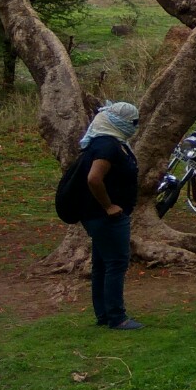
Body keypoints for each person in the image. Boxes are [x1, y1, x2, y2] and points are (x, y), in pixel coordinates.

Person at [75, 102, 142, 330]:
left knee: (102, 264)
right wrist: (108, 206)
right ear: (118, 122)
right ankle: (116, 316)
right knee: (116, 263)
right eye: (133, 123)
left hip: (99, 216)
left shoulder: (109, 142)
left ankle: (104, 314)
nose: (135, 127)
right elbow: (94, 178)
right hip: (106, 217)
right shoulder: (107, 146)